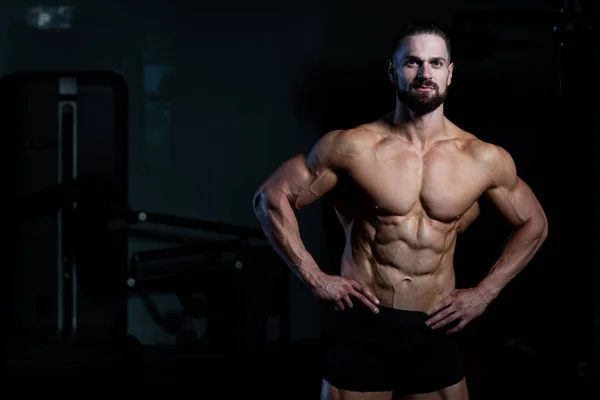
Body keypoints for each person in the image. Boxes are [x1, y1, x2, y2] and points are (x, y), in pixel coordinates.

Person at [252, 21, 548, 400]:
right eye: (413, 62)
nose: (425, 73)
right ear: (393, 70)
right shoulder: (352, 148)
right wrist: (315, 277)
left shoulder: (483, 159)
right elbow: (270, 199)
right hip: (363, 326)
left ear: (450, 73)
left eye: (436, 63)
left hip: (435, 328)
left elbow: (534, 223)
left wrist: (485, 293)